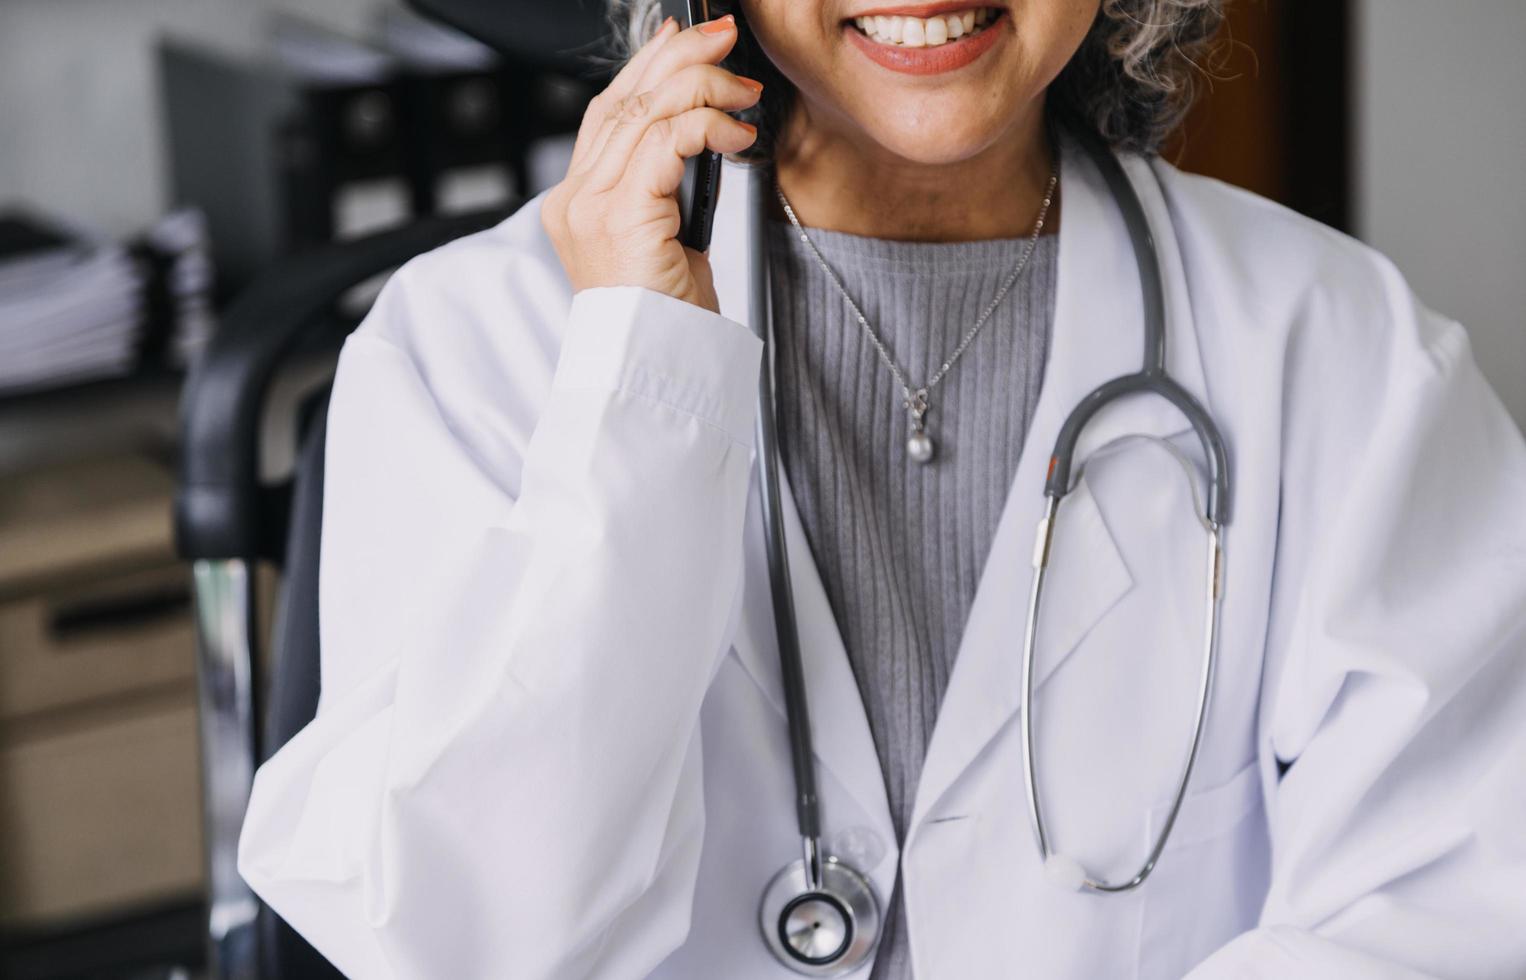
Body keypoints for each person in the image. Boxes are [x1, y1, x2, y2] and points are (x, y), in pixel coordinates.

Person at [237, 1, 1526, 977]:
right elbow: (462, 942)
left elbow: (1452, 906)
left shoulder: (1345, 351)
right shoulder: (482, 339)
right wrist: (632, 393)